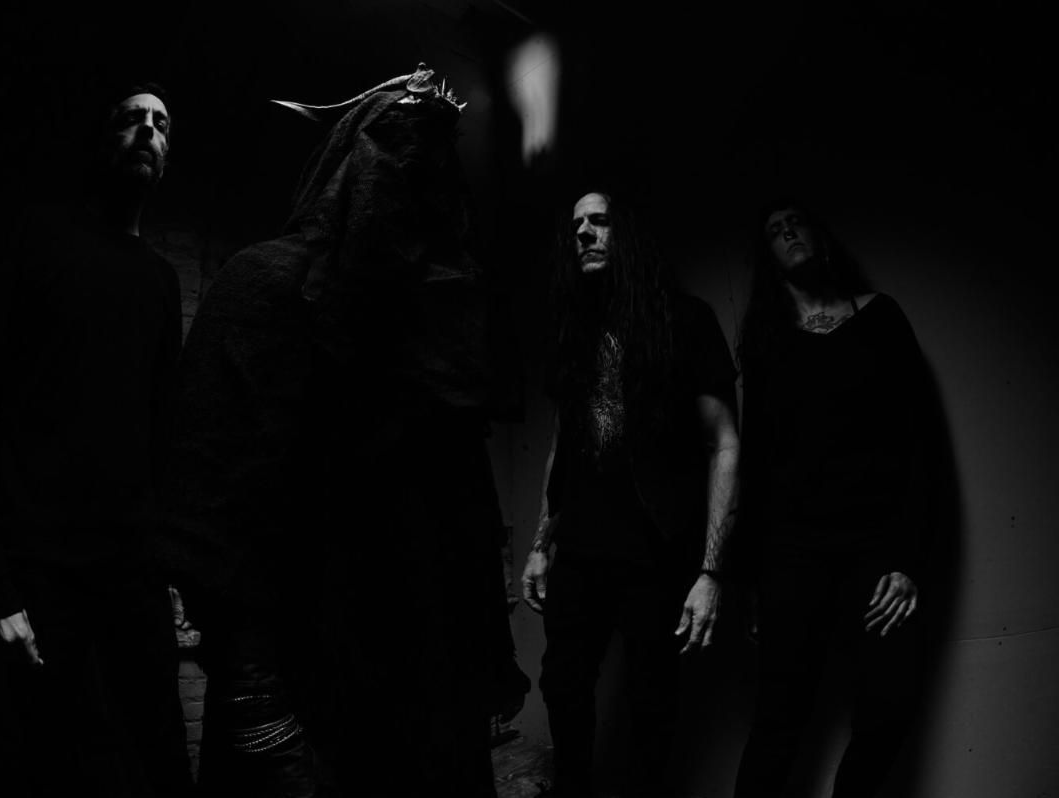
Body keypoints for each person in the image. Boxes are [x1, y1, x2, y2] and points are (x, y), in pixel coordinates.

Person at [159, 65, 527, 798]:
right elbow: (210, 512)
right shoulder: (265, 285)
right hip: (308, 696)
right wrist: (257, 705)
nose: (415, 177)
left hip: (428, 694)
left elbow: (463, 508)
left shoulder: (441, 317)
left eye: (434, 160)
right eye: (396, 150)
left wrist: (486, 658)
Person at [0, 82, 192, 797]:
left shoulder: (160, 281)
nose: (148, 130)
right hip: (43, 573)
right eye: (132, 119)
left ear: (167, 157)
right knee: (56, 767)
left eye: (162, 124)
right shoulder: (37, 243)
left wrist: (171, 563)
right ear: (104, 139)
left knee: (163, 760)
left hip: (134, 571)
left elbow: (163, 432)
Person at [521, 190, 741, 797]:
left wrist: (710, 572)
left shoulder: (685, 320)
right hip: (581, 546)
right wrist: (540, 544)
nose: (584, 233)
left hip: (656, 549)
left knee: (652, 701)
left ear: (630, 236)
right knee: (562, 684)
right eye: (577, 225)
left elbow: (724, 444)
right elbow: (561, 446)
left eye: (600, 221)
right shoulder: (573, 330)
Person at [732, 200, 933, 798]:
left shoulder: (881, 316)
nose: (787, 232)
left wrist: (907, 559)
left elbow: (920, 440)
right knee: (778, 722)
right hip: (792, 553)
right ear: (769, 257)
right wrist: (755, 581)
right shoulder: (765, 339)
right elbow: (756, 462)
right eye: (774, 230)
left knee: (889, 709)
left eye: (795, 222)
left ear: (820, 237)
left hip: (876, 548)